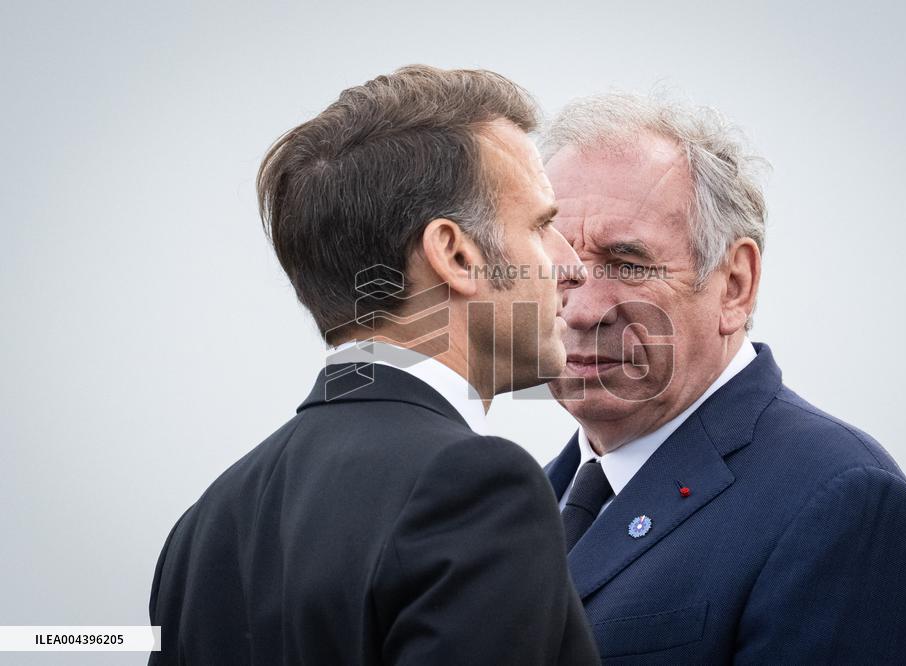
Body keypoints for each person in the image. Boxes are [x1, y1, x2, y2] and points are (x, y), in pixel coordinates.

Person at [148, 65, 599, 665]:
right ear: (456, 254)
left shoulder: (201, 528)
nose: (571, 266)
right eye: (543, 226)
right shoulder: (476, 486)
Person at [540, 92, 906, 663]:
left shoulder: (840, 498)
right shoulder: (529, 498)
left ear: (735, 285)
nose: (579, 309)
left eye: (628, 264)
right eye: (560, 268)